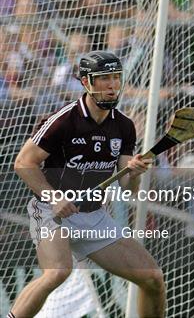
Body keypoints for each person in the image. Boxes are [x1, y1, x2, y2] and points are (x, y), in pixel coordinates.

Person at [8, 51, 165, 318]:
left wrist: (135, 172)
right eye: (104, 78)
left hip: (94, 217)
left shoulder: (124, 126)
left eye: (116, 77)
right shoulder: (63, 120)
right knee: (57, 272)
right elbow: (23, 162)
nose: (112, 85)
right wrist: (55, 197)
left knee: (152, 278)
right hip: (51, 212)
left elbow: (129, 188)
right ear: (86, 83)